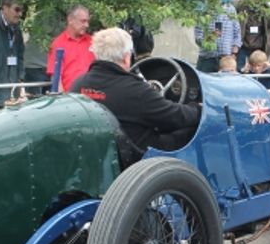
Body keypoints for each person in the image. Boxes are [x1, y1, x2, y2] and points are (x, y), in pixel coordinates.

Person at [71, 28, 200, 157]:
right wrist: (197, 109)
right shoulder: (135, 91)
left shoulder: (77, 85)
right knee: (191, 130)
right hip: (136, 155)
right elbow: (175, 117)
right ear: (127, 57)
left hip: (100, 152)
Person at [47, 4, 94, 92]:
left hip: (93, 96)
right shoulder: (58, 43)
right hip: (71, 97)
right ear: (70, 20)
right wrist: (63, 100)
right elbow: (57, 78)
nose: (87, 25)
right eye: (83, 21)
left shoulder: (92, 42)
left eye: (88, 21)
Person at [194, 0, 240, 74]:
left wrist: (234, 53)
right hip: (207, 59)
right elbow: (198, 38)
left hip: (226, 59)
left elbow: (237, 31)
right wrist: (211, 37)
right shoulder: (202, 9)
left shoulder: (231, 8)